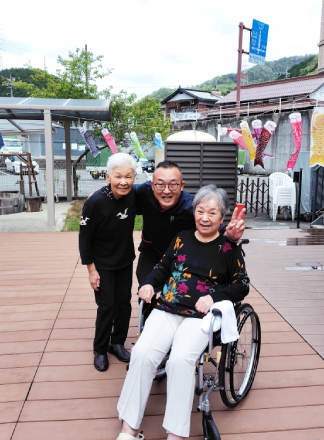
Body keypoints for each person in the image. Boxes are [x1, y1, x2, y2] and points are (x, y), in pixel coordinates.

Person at [116, 185, 250, 440]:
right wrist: (149, 283)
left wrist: (213, 298)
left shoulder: (228, 247)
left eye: (212, 212)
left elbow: (242, 285)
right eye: (200, 211)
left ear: (222, 217)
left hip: (200, 316)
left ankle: (176, 434)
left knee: (179, 361)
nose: (205, 217)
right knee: (142, 353)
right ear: (194, 212)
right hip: (167, 308)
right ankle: (129, 428)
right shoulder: (182, 238)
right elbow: (162, 268)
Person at [134, 161, 245, 309]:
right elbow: (122, 186)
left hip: (183, 257)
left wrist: (231, 236)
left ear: (182, 185)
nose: (166, 191)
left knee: (181, 292)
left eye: (173, 185)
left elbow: (217, 229)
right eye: (160, 184)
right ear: (152, 185)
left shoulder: (193, 207)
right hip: (151, 253)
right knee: (146, 291)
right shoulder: (143, 192)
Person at [79, 153, 137, 372]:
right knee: (107, 306)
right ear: (108, 177)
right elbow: (84, 238)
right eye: (118, 176)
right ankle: (100, 349)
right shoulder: (95, 202)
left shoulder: (133, 195)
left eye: (128, 176)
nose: (123, 181)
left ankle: (117, 343)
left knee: (124, 303)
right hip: (102, 262)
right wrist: (91, 270)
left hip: (124, 259)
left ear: (134, 178)